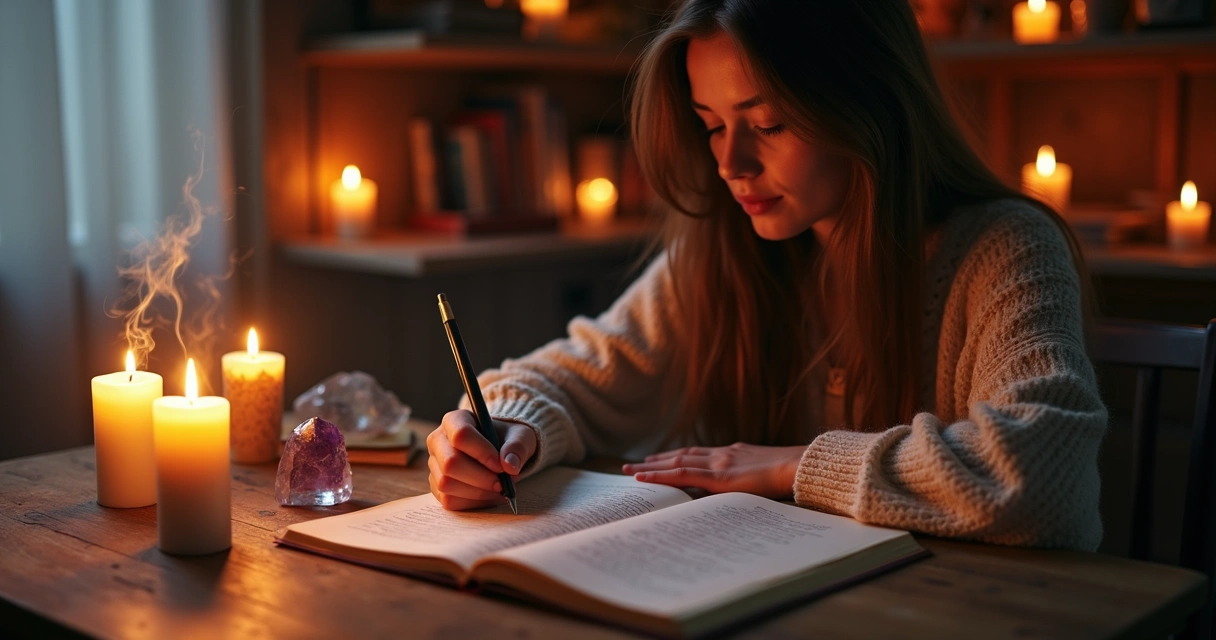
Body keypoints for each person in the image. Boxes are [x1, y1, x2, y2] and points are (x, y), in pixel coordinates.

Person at [426, 0, 1108, 551]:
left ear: (869, 103)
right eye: (713, 125)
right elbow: (571, 372)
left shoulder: (1004, 248)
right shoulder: (727, 251)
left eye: (768, 122)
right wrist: (506, 429)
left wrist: (788, 465)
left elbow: (1043, 471)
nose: (732, 164)